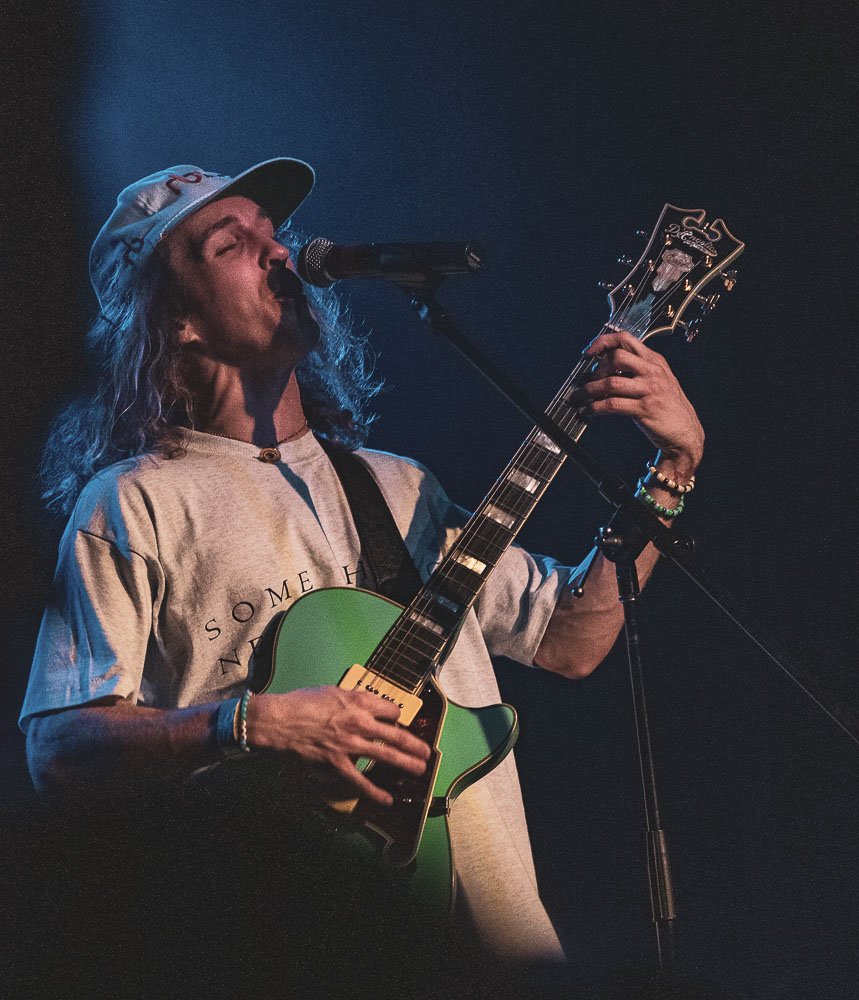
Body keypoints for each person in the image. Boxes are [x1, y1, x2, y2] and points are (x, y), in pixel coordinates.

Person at [19, 158, 704, 964]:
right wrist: (245, 724)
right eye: (229, 243)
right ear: (174, 321)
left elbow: (570, 639)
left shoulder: (394, 485)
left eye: (274, 234)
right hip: (288, 945)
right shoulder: (134, 502)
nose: (279, 253)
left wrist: (671, 472)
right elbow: (58, 753)